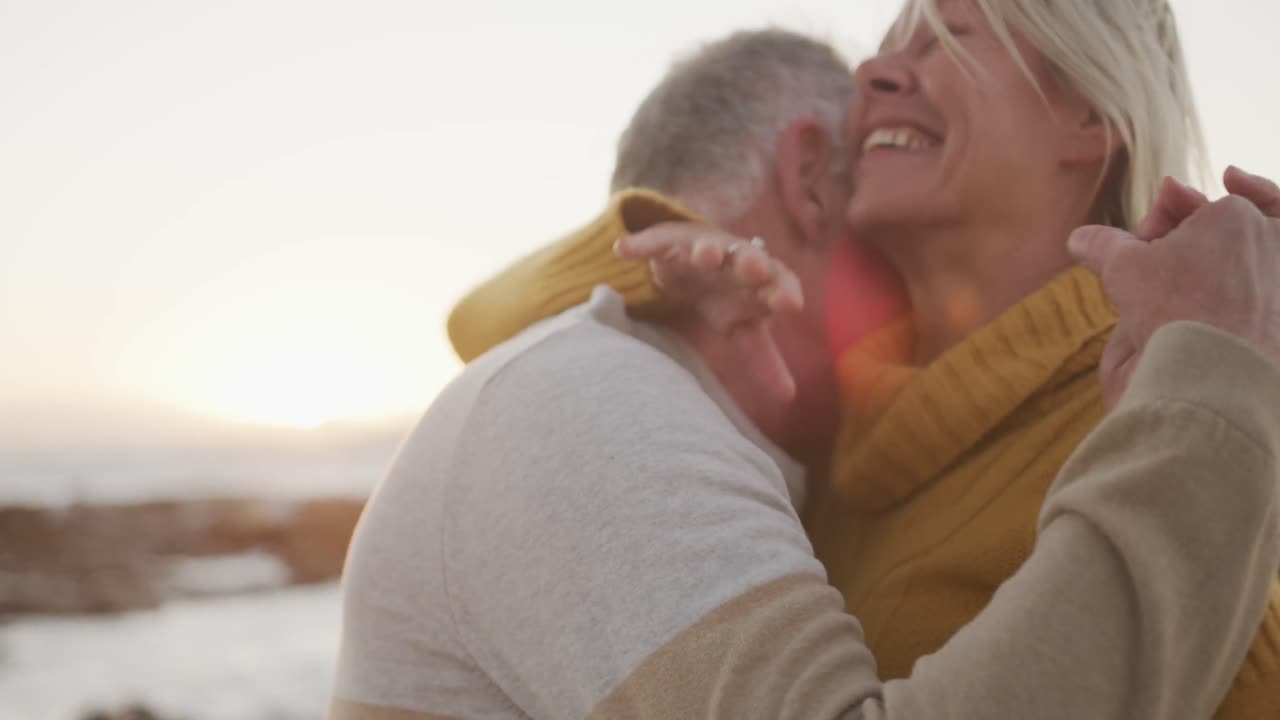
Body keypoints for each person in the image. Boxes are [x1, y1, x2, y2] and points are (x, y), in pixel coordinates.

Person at [330, 29, 1280, 720]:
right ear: (813, 178)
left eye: (951, 28)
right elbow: (529, 370)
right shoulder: (624, 401)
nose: (882, 70)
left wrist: (1220, 379)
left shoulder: (1167, 416)